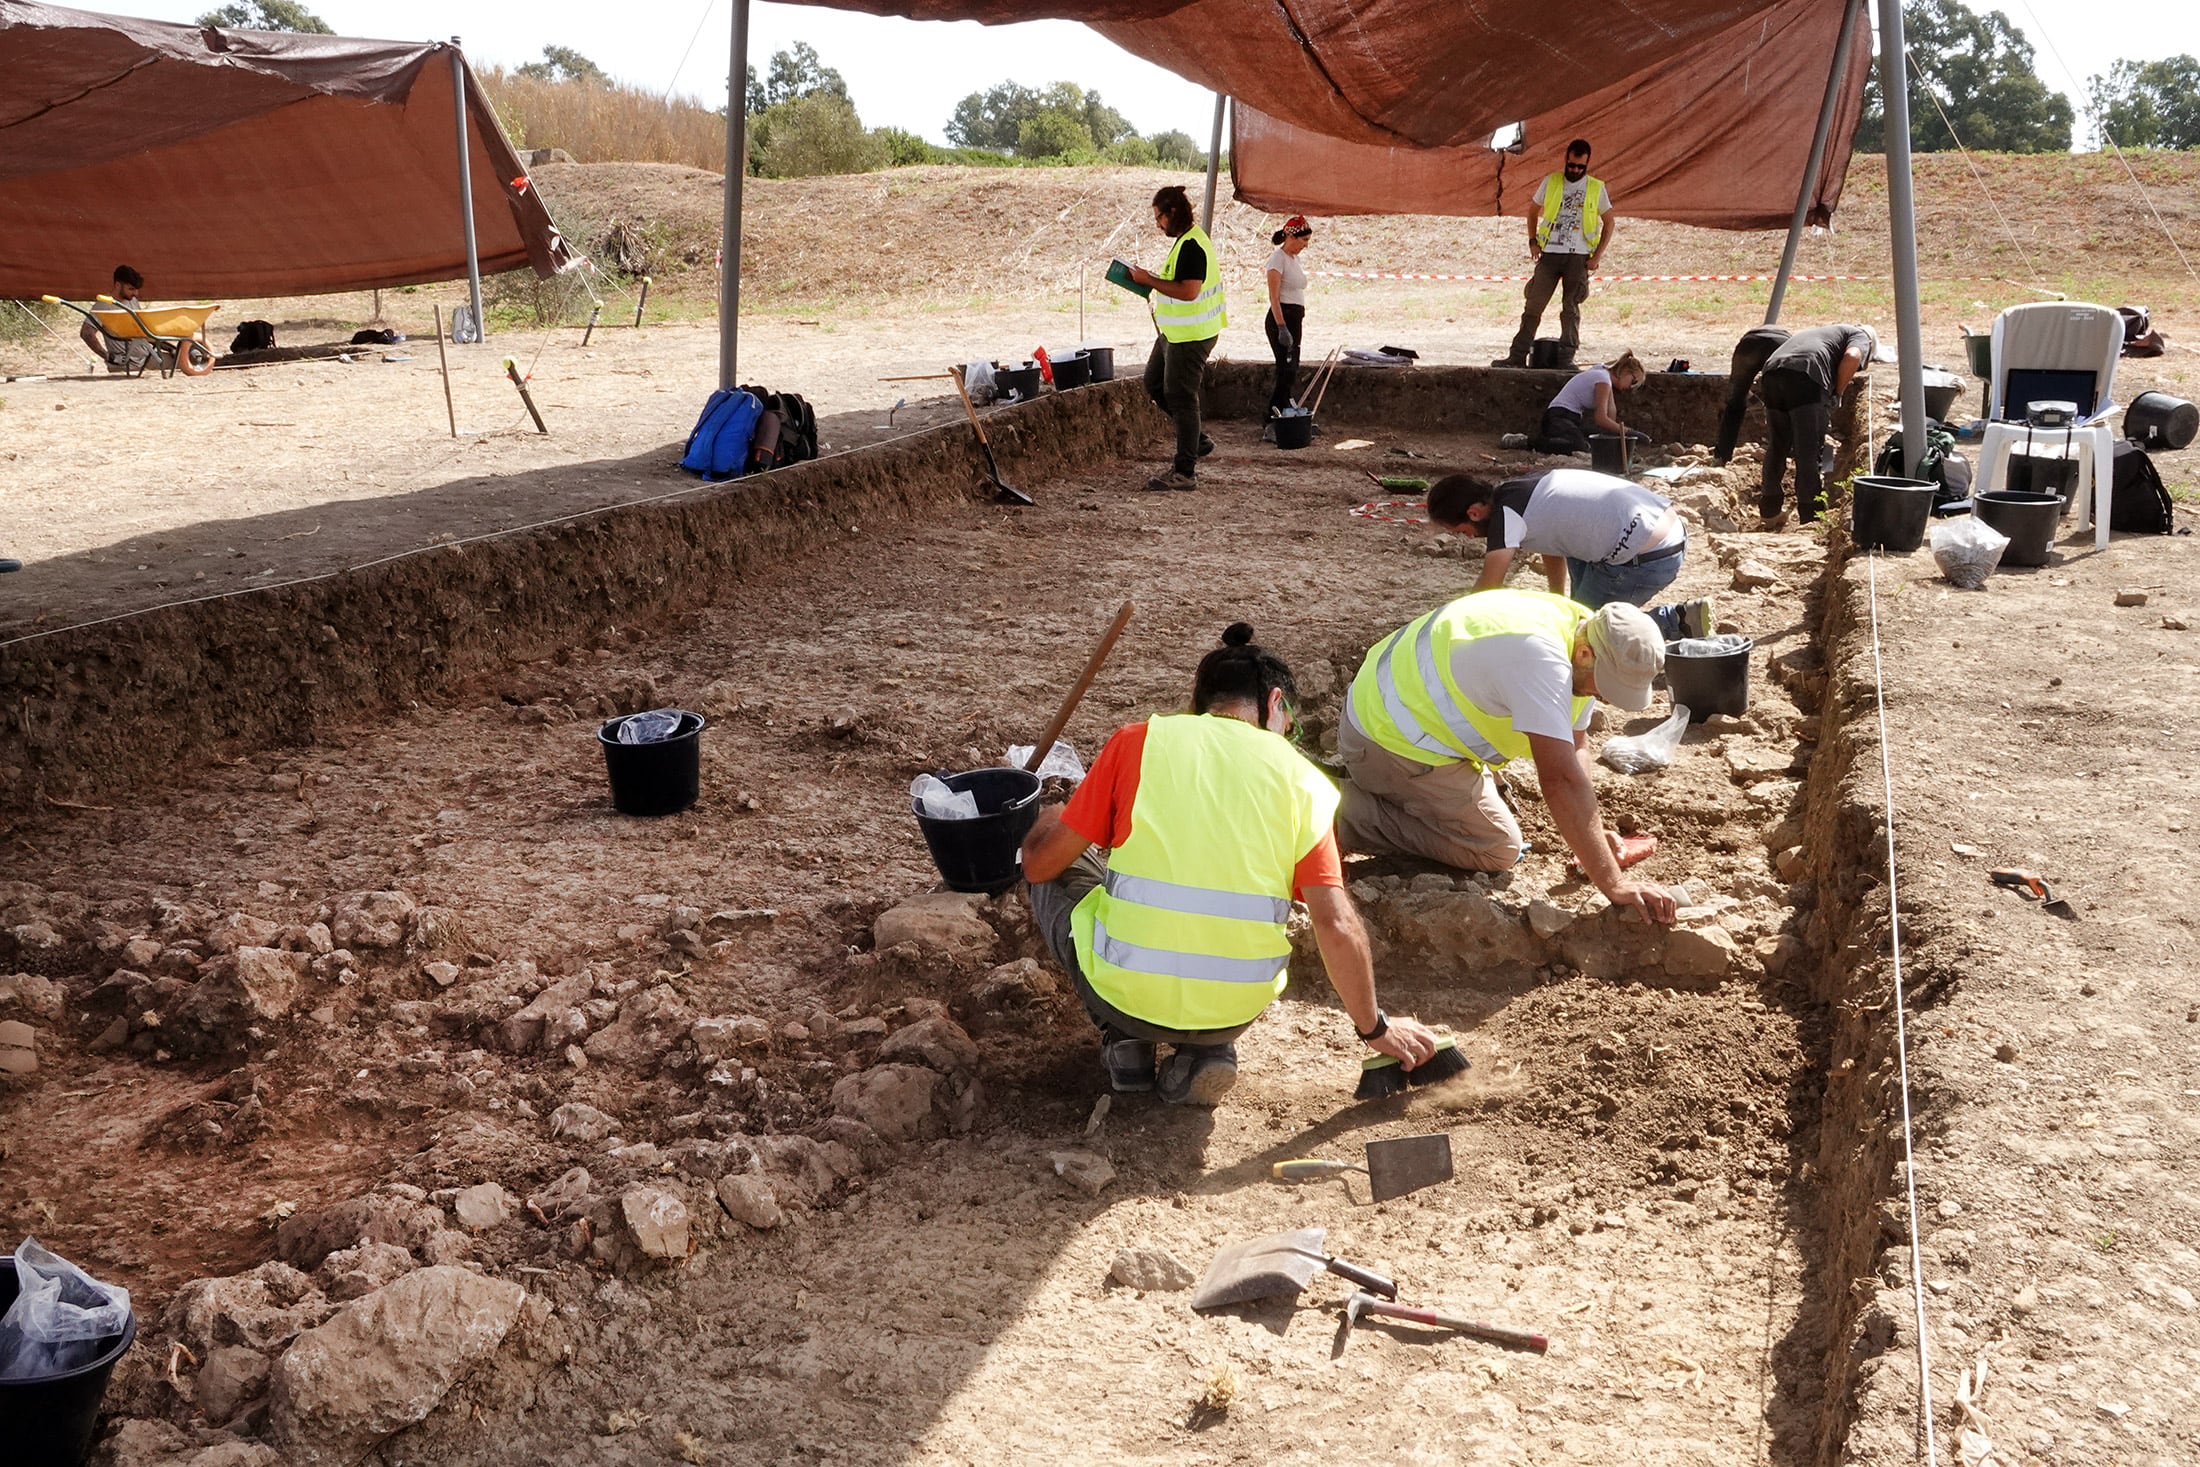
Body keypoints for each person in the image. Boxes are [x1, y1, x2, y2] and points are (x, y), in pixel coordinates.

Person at [1022, 623, 1441, 1105]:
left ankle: (1125, 1040)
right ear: (1275, 703)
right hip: (1235, 1008)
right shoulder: (1304, 782)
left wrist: (1047, 819)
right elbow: (1336, 922)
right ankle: (1208, 1050)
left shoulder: (1139, 742)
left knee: (1063, 875)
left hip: (1124, 995)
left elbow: (1038, 866)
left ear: (1198, 704)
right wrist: (1376, 1030)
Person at [1334, 589, 1682, 926]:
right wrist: (1614, 882)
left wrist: (1593, 831)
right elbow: (1560, 779)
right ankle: (1332, 810)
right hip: (1387, 738)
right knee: (1497, 848)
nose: (1602, 697)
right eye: (1604, 685)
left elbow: (1576, 744)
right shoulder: (1540, 658)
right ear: (1586, 655)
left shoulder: (1583, 631)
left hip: (1400, 714)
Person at [1426, 470, 1713, 643]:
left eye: (1462, 530)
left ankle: (1675, 621)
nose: (1467, 537)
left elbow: (1486, 591)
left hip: (1648, 558)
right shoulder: (1517, 492)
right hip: (1665, 530)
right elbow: (1554, 542)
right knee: (1570, 616)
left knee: (1583, 637)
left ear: (1473, 513)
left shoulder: (1505, 518)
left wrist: (1447, 628)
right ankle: (1588, 614)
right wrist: (1558, 602)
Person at [1126, 185, 1226, 492]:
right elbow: (1179, 284)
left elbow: (1189, 291)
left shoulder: (1193, 245)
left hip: (1191, 335)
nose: (1158, 224)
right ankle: (1195, 440)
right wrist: (1148, 281)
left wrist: (1150, 281)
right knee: (1154, 383)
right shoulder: (1185, 242)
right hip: (1176, 333)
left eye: (1159, 217)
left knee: (1181, 398)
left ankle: (1185, 472)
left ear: (1172, 213)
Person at [1493, 140, 1614, 369]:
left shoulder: (1596, 188)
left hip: (1579, 257)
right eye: (1571, 165)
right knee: (1533, 306)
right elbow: (1532, 211)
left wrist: (1597, 257)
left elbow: (1609, 223)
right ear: (1565, 160)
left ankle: (1566, 359)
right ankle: (1517, 356)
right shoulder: (1552, 182)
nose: (1575, 170)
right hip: (1549, 254)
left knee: (1571, 308)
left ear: (1587, 163)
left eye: (1580, 166)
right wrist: (1532, 241)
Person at [1749, 323, 1876, 521]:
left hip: (1772, 372)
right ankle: (1810, 514)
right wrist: (1838, 392)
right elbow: (1852, 357)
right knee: (1808, 450)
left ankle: (1769, 509)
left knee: (1778, 444)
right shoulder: (1860, 335)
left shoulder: (1824, 333)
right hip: (1806, 376)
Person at [1528, 351, 1645, 454]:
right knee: (1578, 446)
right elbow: (1601, 419)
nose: (1631, 387)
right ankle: (1530, 442)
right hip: (1558, 417)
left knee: (1595, 440)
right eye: (1633, 381)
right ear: (1625, 371)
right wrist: (1629, 432)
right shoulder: (1603, 379)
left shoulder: (1603, 374)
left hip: (1571, 418)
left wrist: (1620, 437)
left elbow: (1610, 414)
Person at [1713, 325, 1792, 465]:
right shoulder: (1792, 343)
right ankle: (1788, 453)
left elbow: (1739, 388)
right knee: (1788, 404)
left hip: (1749, 345)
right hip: (1780, 346)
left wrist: (1754, 401)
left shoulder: (1749, 341)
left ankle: (1720, 457)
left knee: (1735, 403)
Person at [1263, 215, 1313, 427]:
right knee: (1286, 369)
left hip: (1294, 318)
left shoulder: (1294, 259)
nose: (1305, 246)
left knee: (1291, 369)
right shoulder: (1277, 259)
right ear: (1292, 237)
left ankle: (1284, 413)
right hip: (1281, 318)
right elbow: (1274, 297)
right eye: (1303, 241)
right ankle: (1272, 418)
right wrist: (1282, 326)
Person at [81, 264, 153, 373]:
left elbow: (142, 331)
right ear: (117, 285)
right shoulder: (104, 305)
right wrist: (107, 356)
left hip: (146, 357)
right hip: (126, 363)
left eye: (136, 289)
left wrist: (169, 347)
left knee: (180, 360)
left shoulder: (132, 300)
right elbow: (86, 333)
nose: (135, 293)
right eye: (131, 289)